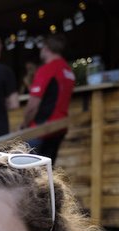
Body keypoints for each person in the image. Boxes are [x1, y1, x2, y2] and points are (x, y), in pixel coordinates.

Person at [20, 34, 76, 162]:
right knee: (47, 171)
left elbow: (32, 105)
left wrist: (24, 125)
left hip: (42, 128)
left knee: (25, 172)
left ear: (46, 48)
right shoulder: (68, 70)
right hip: (60, 127)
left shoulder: (47, 69)